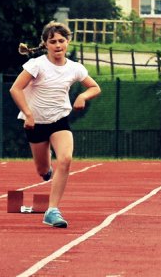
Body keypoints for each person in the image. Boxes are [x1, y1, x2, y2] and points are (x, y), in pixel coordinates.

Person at [9, 21, 100, 228]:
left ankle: (52, 210)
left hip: (59, 120)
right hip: (35, 123)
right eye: (53, 41)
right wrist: (28, 114)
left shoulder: (75, 68)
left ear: (68, 42)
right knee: (42, 169)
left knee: (66, 159)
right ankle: (46, 168)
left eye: (61, 41)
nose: (58, 45)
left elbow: (95, 87)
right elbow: (15, 89)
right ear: (45, 44)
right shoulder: (36, 64)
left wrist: (83, 96)